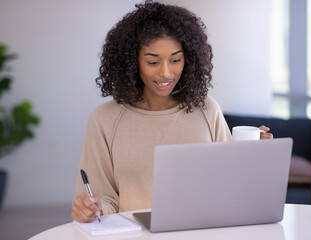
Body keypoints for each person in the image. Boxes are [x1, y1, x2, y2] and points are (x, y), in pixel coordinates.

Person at [71, 0, 273, 223]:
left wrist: (258, 158)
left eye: (175, 60)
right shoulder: (105, 119)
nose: (166, 73)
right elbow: (104, 200)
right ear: (132, 62)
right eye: (153, 61)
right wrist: (93, 208)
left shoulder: (207, 111)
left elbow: (232, 189)